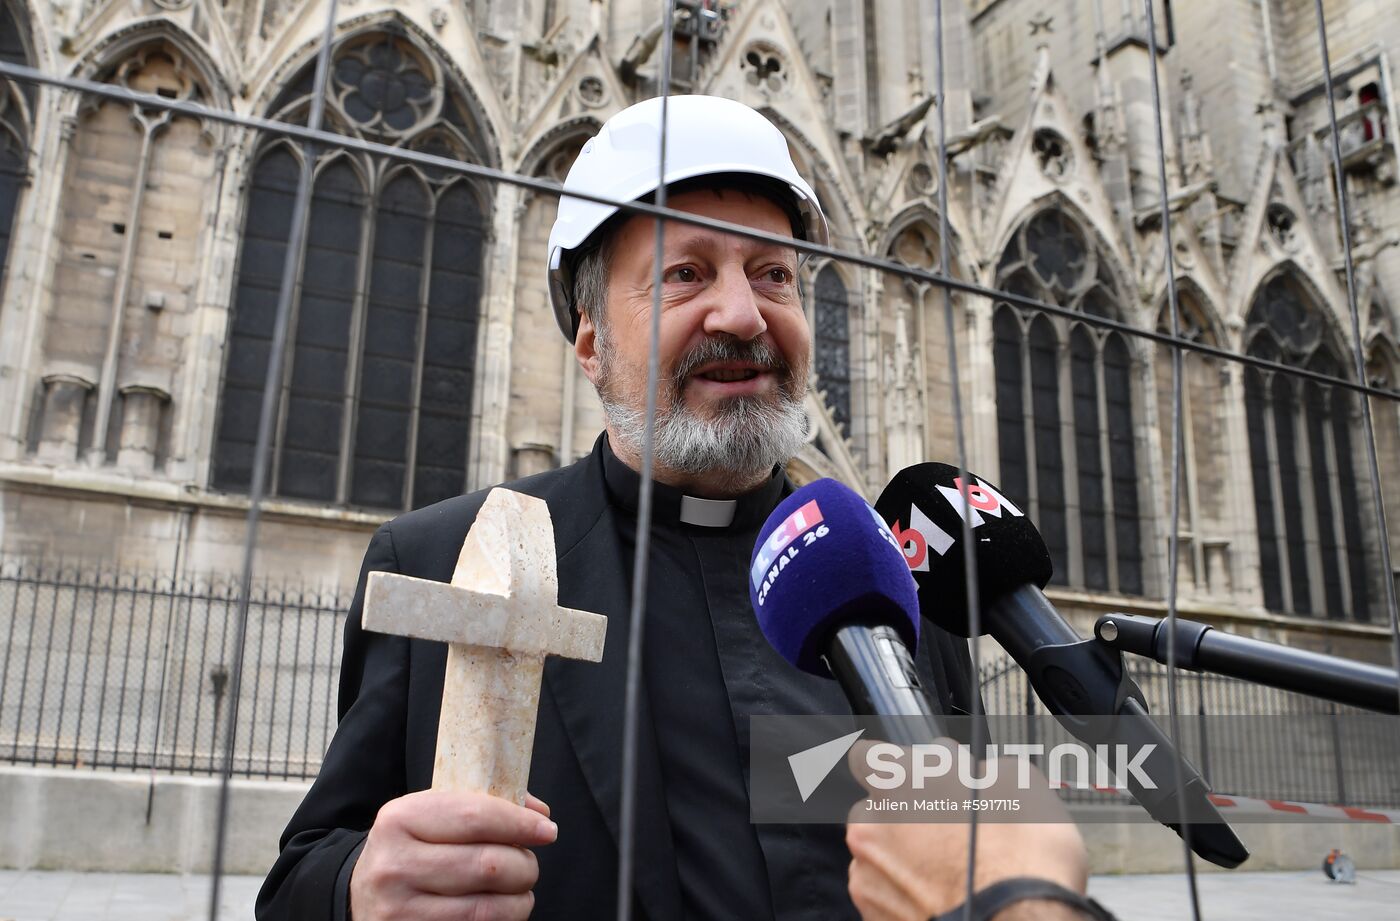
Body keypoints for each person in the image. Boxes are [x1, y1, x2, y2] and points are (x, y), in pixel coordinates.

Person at [256, 95, 1086, 921]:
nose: (743, 313)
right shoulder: (444, 558)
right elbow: (300, 876)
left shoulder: (902, 589)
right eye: (686, 274)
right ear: (590, 341)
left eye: (775, 275)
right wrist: (357, 886)